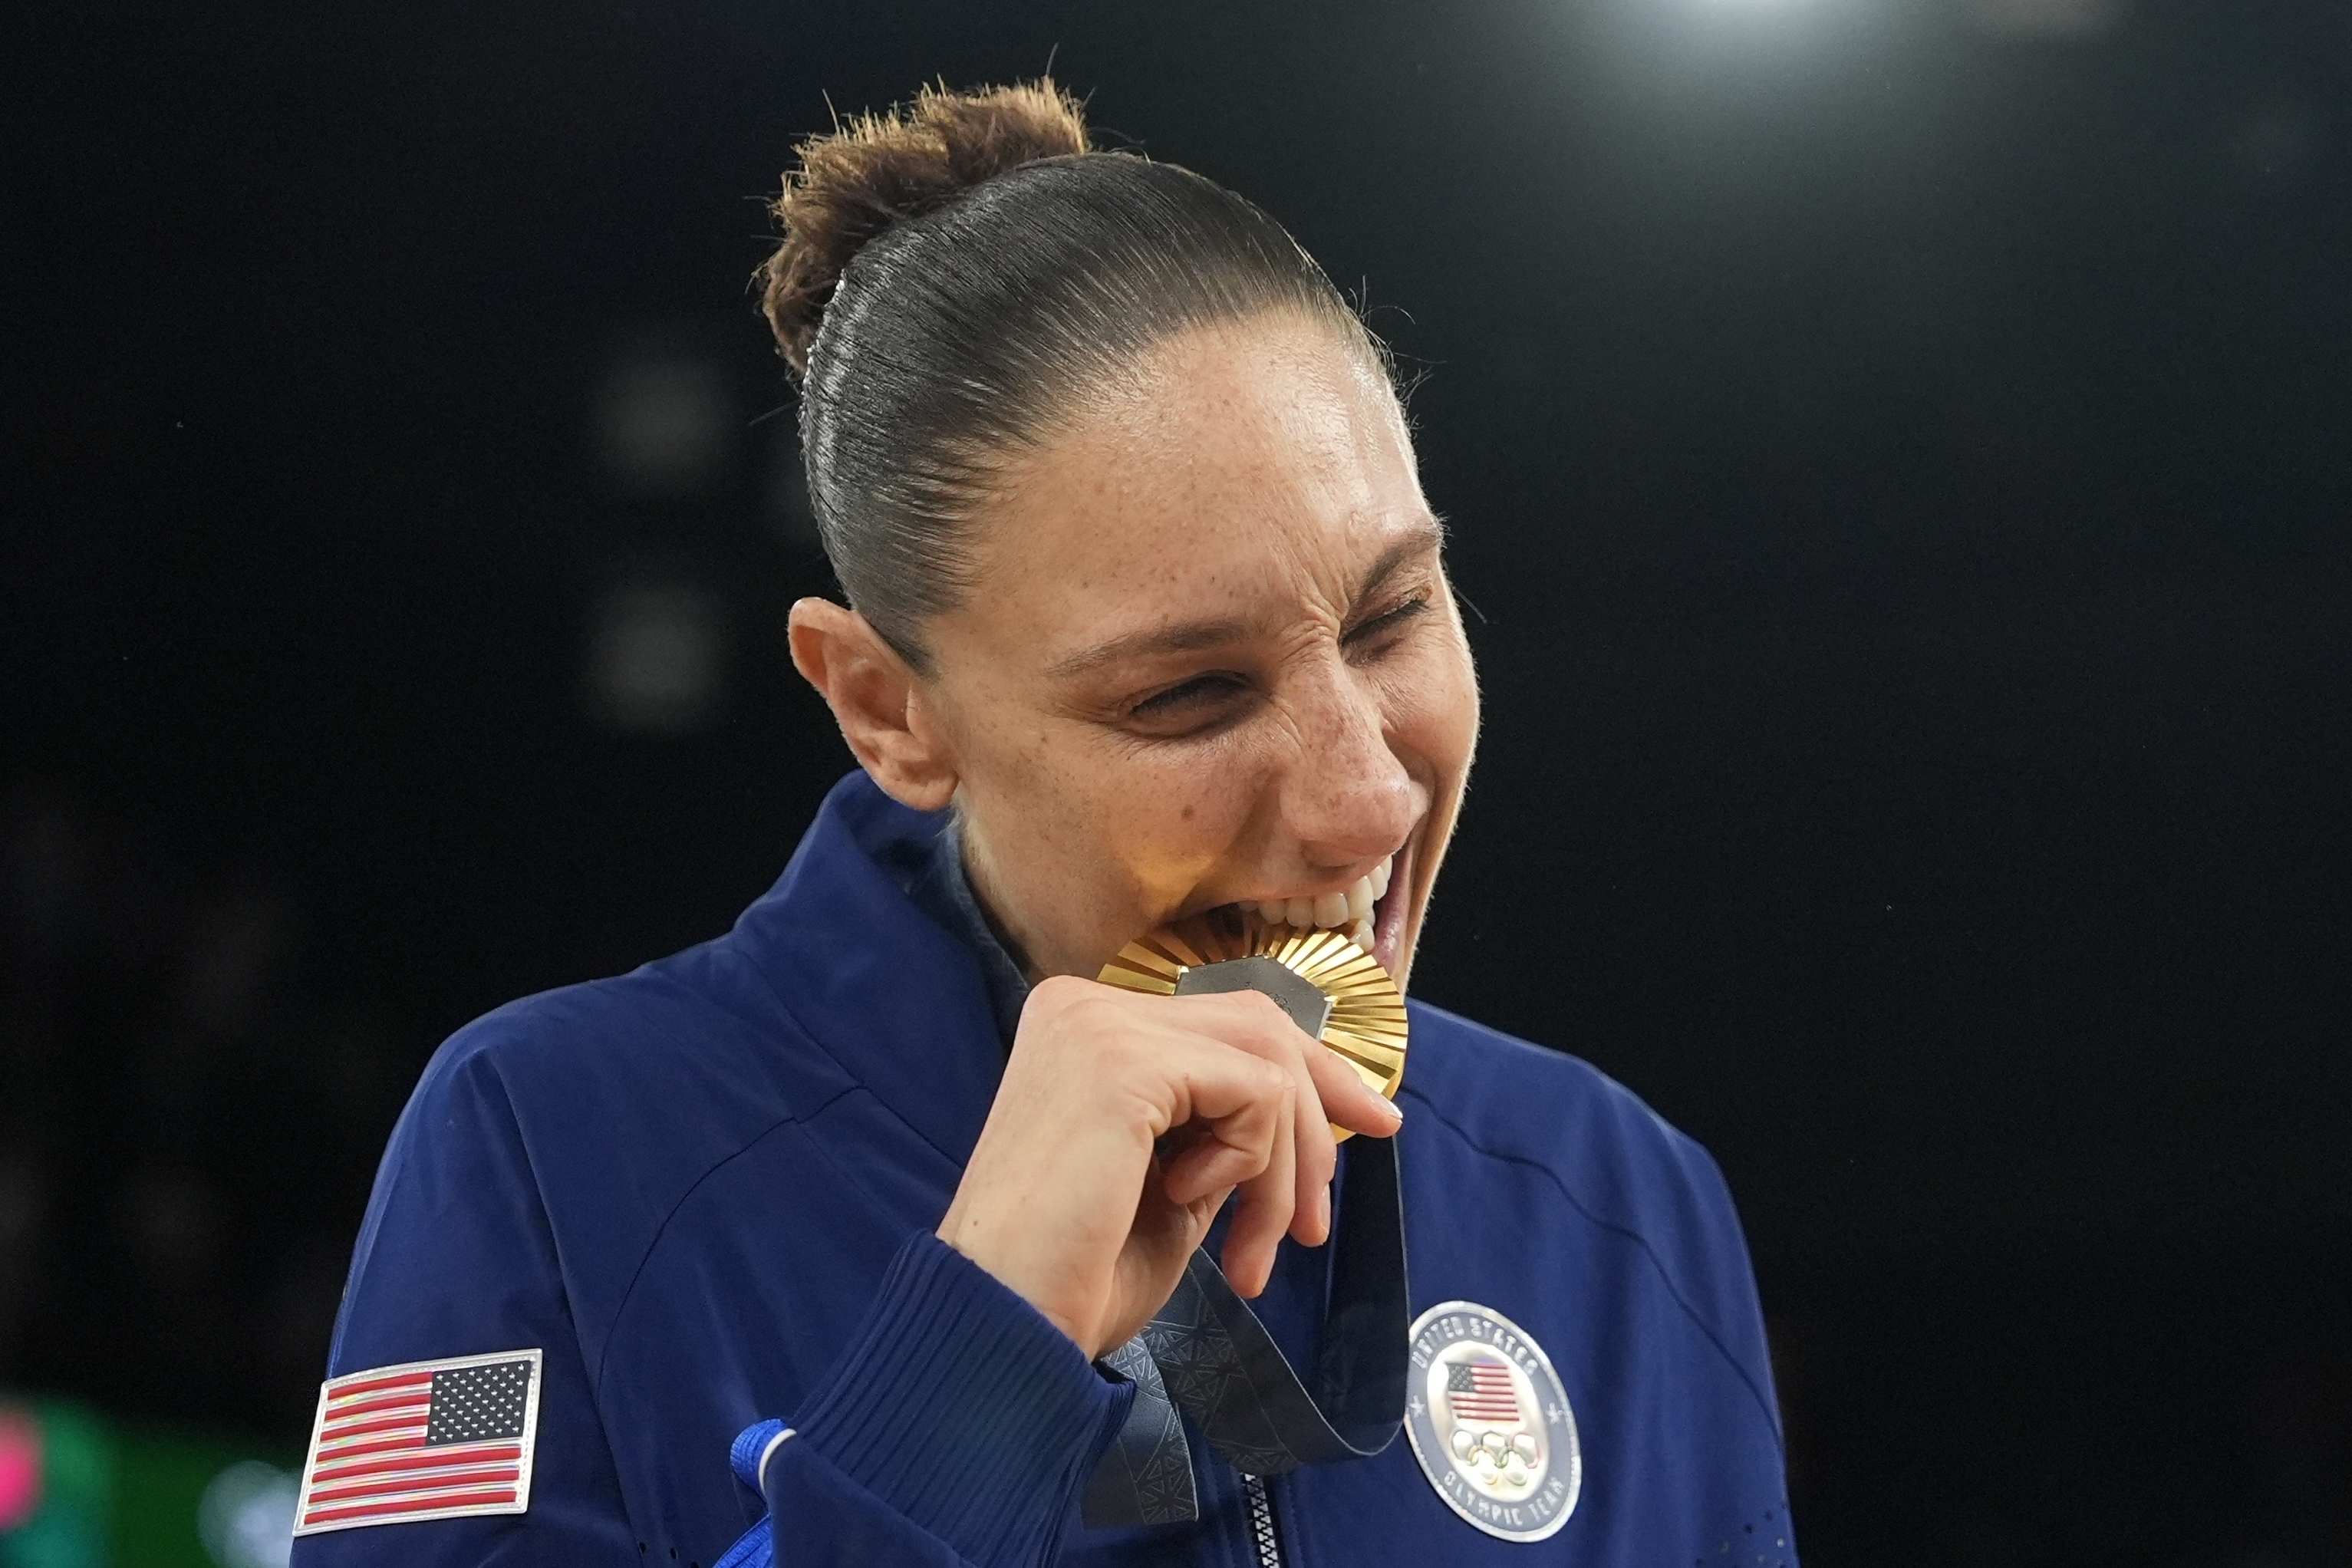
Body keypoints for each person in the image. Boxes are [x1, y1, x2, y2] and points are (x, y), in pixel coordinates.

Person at [287, 80, 1795, 1568]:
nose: (1362, 793)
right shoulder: (549, 1144)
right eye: (1193, 695)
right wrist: (967, 1361)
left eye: (1393, 610)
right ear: (891, 709)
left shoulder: (1621, 1197)